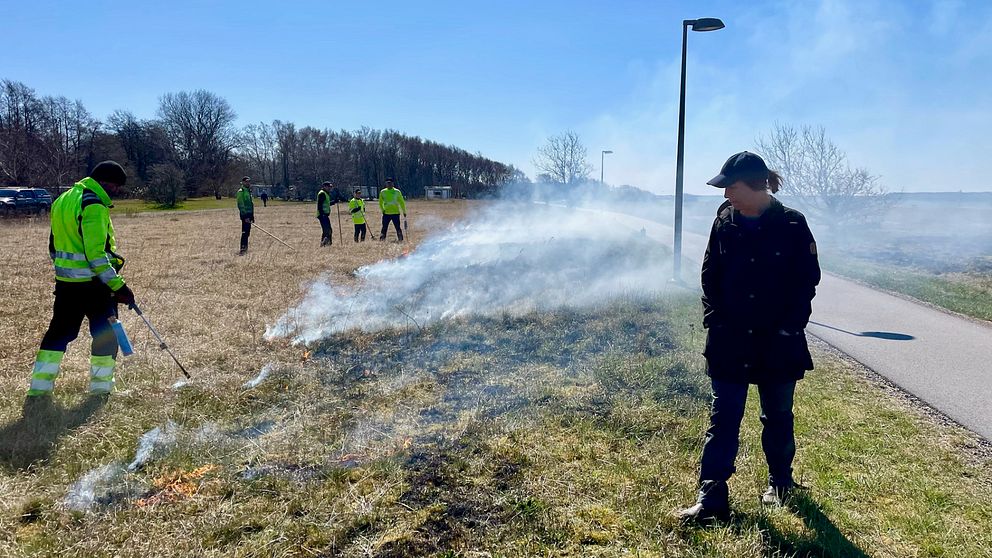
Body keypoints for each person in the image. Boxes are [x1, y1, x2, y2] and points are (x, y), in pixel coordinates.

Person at [678, 151, 821, 523]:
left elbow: (806, 281)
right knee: (723, 417)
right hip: (730, 339)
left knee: (777, 415)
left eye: (732, 187)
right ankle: (711, 497)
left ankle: (781, 483)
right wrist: (715, 319)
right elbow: (710, 274)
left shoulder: (792, 224)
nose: (726, 196)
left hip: (779, 340)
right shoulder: (723, 222)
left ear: (758, 186)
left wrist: (791, 325)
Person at [28, 161, 136, 397]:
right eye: (116, 187)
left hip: (66, 285)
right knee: (106, 337)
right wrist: (119, 286)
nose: (116, 192)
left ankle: (39, 390)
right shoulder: (93, 204)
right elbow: (96, 255)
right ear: (105, 182)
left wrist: (66, 273)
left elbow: (53, 247)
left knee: (57, 334)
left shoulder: (62, 200)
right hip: (94, 287)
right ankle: (101, 389)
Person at [236, 177, 254, 255]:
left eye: (249, 182)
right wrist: (245, 216)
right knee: (244, 232)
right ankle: (242, 249)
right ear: (243, 182)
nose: (248, 183)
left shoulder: (248, 191)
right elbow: (241, 204)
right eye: (246, 182)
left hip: (249, 214)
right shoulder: (241, 192)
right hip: (245, 215)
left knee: (248, 232)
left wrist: (252, 216)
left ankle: (246, 248)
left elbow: (251, 204)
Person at [316, 182, 333, 246]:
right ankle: (324, 244)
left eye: (330, 187)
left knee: (328, 230)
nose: (330, 188)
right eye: (329, 187)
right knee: (327, 230)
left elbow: (327, 203)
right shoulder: (322, 194)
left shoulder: (326, 193)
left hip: (325, 215)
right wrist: (322, 214)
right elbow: (319, 205)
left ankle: (326, 243)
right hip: (322, 215)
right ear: (324, 186)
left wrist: (334, 202)